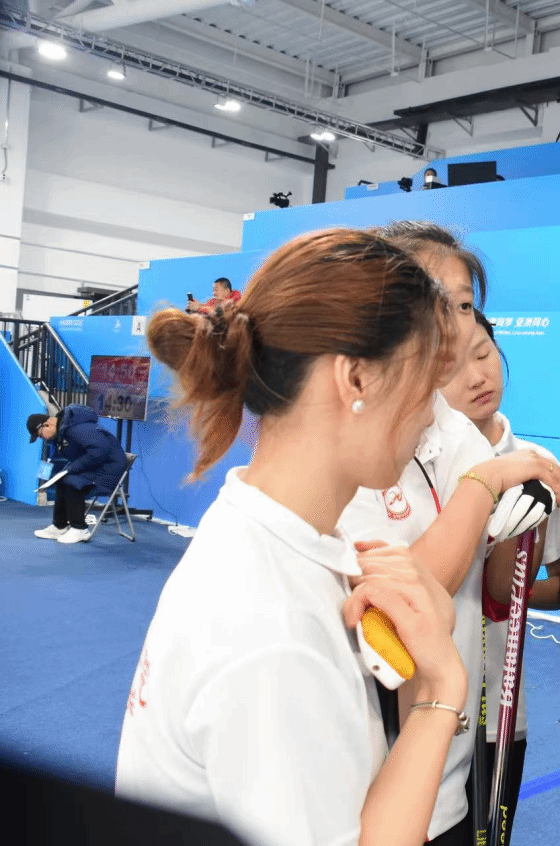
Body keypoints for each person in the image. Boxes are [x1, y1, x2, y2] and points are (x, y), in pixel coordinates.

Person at [116, 228, 467, 846]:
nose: (431, 411)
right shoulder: (271, 631)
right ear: (355, 378)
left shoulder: (266, 535)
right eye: (422, 382)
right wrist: (442, 690)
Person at [340, 220, 560, 846]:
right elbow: (400, 604)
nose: (455, 326)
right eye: (432, 300)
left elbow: (494, 585)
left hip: (450, 752)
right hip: (371, 772)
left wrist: (521, 509)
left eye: (465, 306)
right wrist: (485, 485)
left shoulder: (456, 433)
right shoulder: (356, 430)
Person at [440, 308, 560, 840]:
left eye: (483, 354)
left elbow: (533, 588)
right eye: (452, 367)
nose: (477, 376)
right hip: (426, 704)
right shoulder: (410, 465)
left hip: (501, 707)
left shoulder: (537, 464)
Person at [27, 404, 127, 544]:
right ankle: (59, 526)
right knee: (61, 480)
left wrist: (73, 468)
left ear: (47, 424)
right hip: (96, 467)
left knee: (72, 481)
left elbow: (100, 451)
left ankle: (79, 529)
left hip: (109, 470)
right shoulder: (62, 433)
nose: (43, 439)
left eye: (40, 435)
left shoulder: (78, 429)